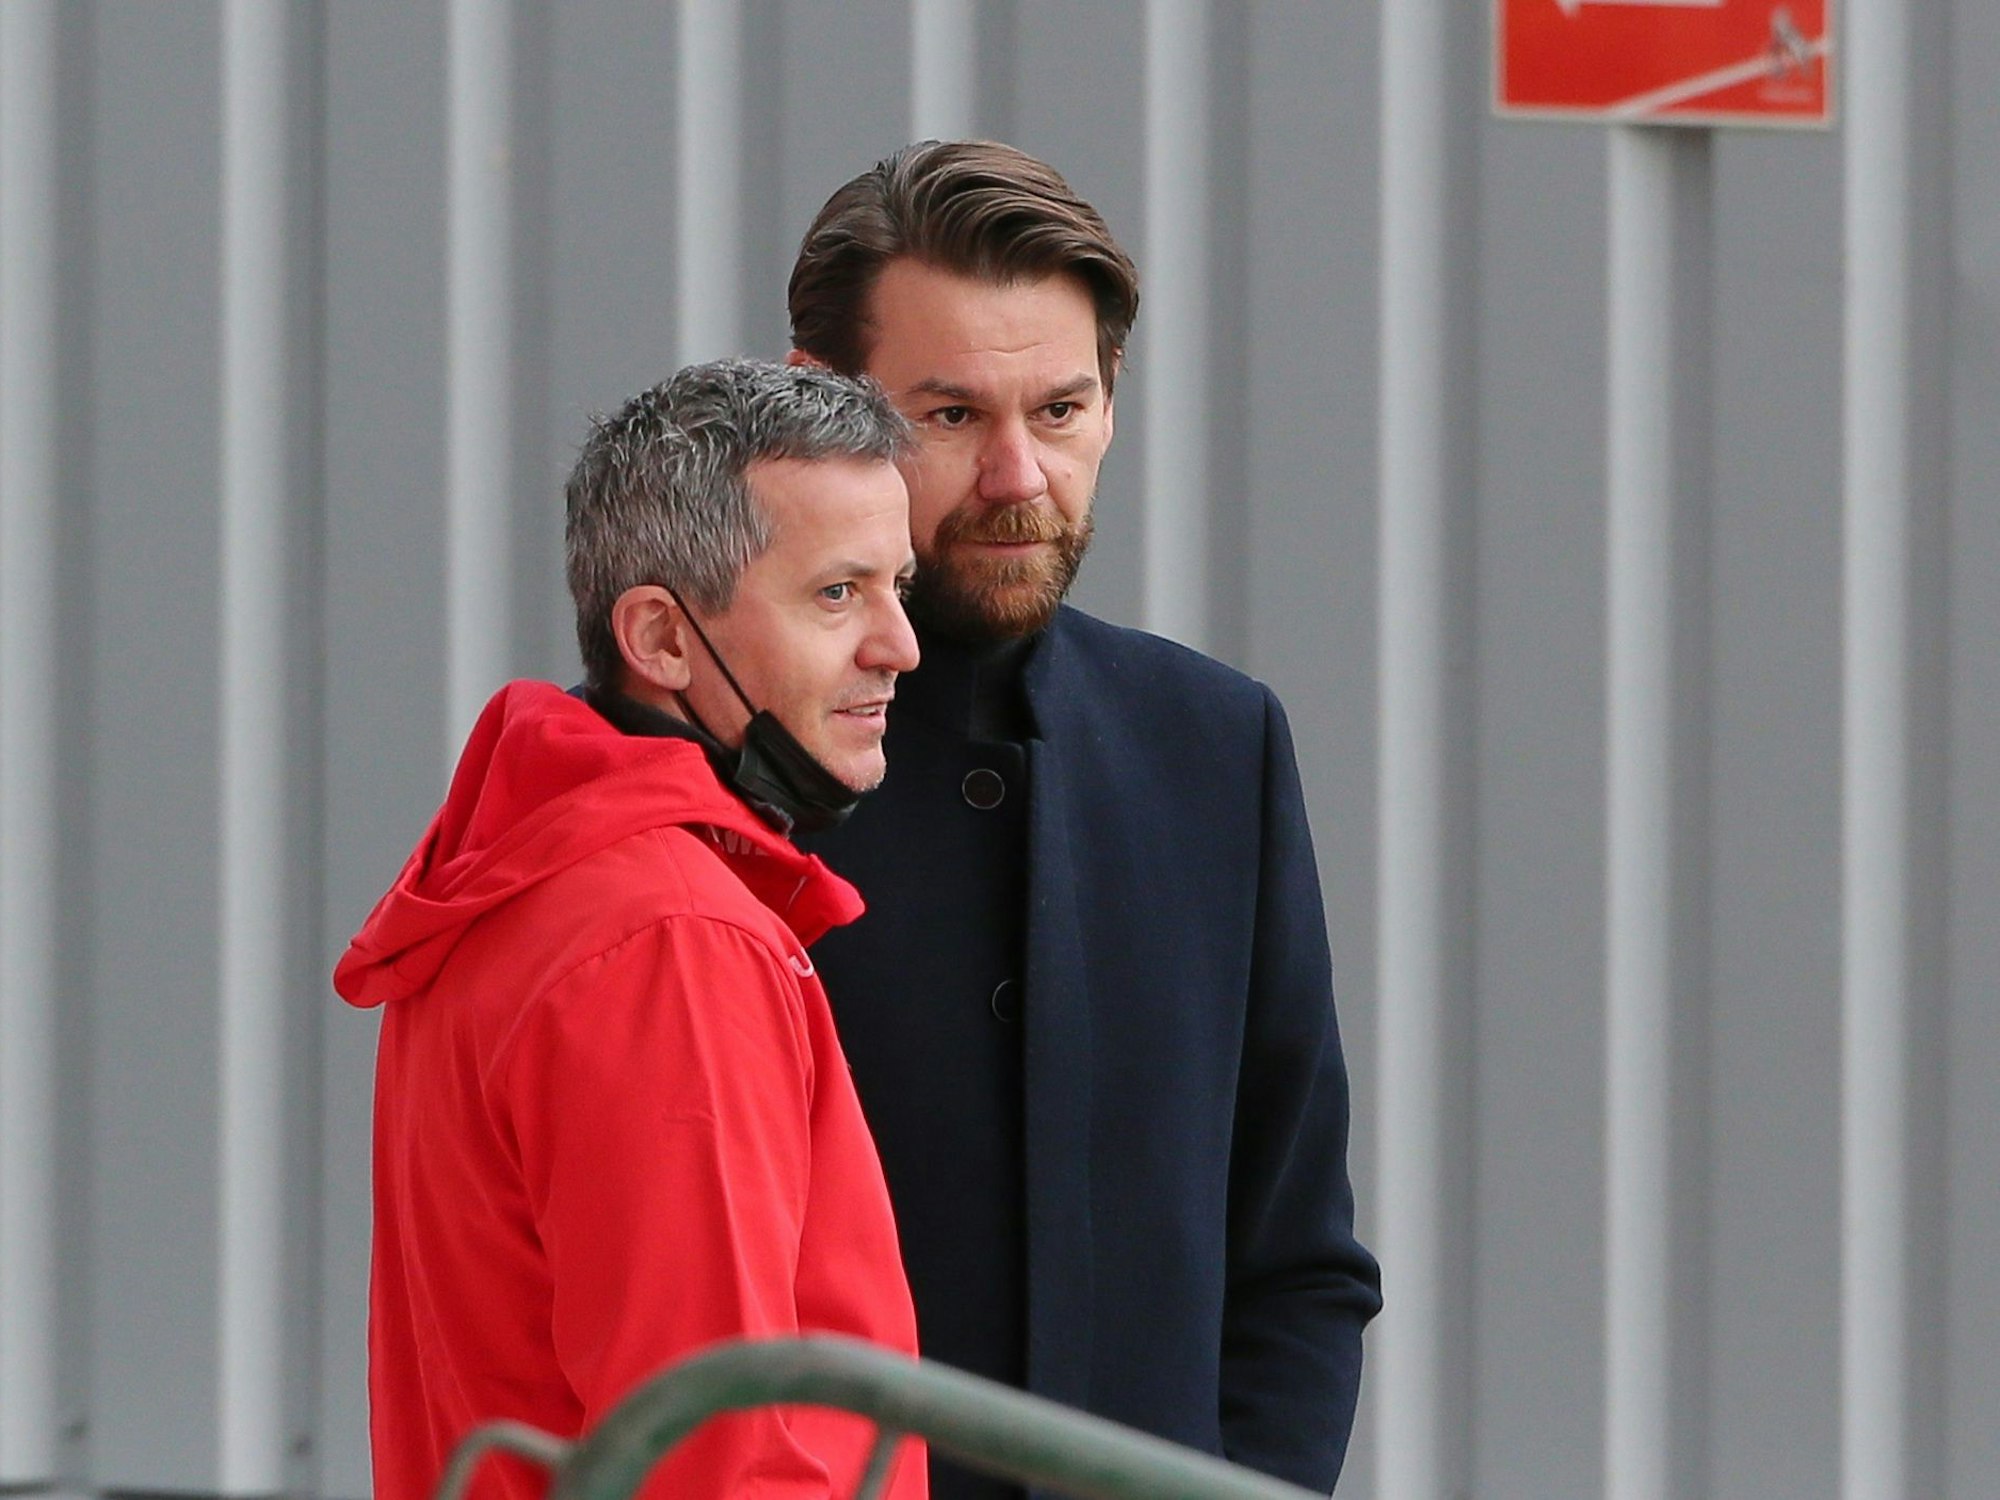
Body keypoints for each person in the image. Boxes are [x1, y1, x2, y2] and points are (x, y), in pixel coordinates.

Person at [787, 141, 1384, 1496]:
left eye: (1059, 409)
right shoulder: (710, 773)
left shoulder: (1215, 745)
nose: (1016, 477)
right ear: (823, 410)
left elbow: (1295, 1258)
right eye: (947, 417)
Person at [333, 359, 927, 1500]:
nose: (899, 645)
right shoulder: (669, 941)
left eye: (897, 584)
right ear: (659, 638)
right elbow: (712, 1452)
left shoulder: (535, 881)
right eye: (837, 594)